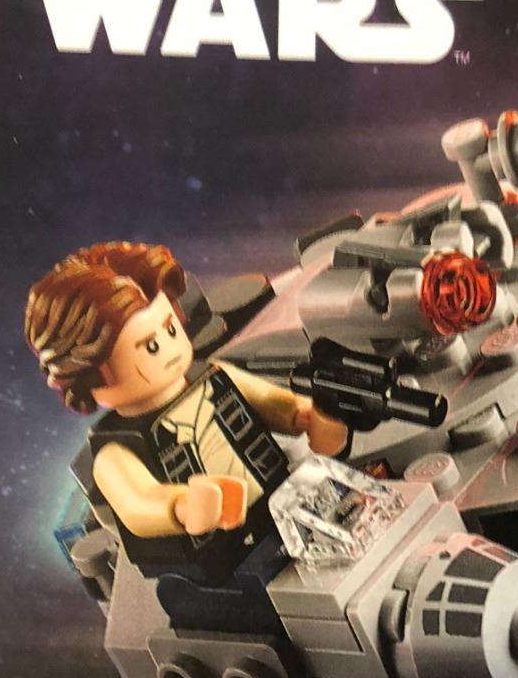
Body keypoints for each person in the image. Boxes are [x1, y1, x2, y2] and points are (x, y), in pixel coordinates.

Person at [26, 241, 348, 626]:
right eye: (149, 346)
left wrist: (308, 416)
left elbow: (275, 403)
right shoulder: (115, 452)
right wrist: (182, 506)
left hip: (284, 515)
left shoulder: (215, 378)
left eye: (170, 328)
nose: (170, 348)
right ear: (89, 373)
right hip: (217, 574)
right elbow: (138, 503)